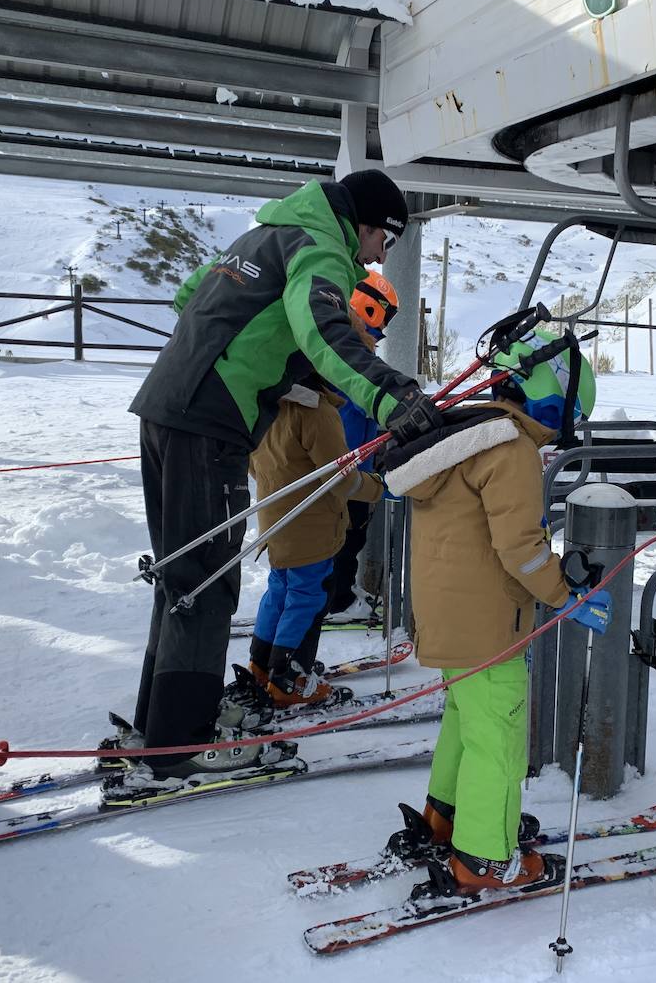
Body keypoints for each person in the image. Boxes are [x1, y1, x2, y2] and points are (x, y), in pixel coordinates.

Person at [127, 169, 444, 781]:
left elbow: (191, 294)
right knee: (204, 583)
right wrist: (391, 395)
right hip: (209, 420)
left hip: (169, 406)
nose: (380, 258)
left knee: (181, 577)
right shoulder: (317, 247)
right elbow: (323, 328)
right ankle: (181, 743)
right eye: (387, 242)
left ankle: (162, 719)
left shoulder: (263, 237)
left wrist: (263, 357)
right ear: (370, 225)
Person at [381, 325, 612, 895]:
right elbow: (521, 551)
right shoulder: (511, 450)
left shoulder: (466, 435)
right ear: (552, 399)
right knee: (501, 741)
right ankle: (483, 857)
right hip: (488, 624)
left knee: (466, 722)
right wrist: (568, 596)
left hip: (448, 615)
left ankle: (449, 816)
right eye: (569, 415)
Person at [242, 363, 384, 710]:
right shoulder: (316, 411)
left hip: (276, 518)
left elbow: (252, 463)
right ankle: (291, 676)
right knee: (308, 595)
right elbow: (340, 477)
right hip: (311, 523)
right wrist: (379, 487)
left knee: (281, 588)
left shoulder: (267, 402)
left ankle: (263, 664)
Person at [324, 271, 400, 622]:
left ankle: (332, 592)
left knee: (339, 538)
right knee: (346, 539)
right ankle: (336, 600)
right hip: (348, 467)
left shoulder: (337, 341)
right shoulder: (355, 352)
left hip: (345, 462)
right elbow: (365, 401)